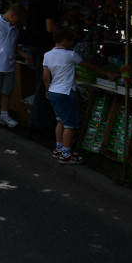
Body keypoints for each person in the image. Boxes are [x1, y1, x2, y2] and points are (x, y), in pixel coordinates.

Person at [23, 0, 73, 136]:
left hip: (32, 41)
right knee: (43, 85)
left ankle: (37, 122)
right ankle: (37, 124)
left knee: (40, 83)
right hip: (43, 44)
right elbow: (50, 27)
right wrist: (65, 19)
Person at [0, 4, 30, 129]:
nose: (18, 23)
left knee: (6, 91)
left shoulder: (14, 28)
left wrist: (23, 54)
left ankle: (4, 114)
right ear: (13, 15)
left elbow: (13, 45)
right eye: (18, 20)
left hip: (9, 65)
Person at [42, 26, 85, 165]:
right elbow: (87, 65)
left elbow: (46, 76)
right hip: (66, 92)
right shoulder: (71, 55)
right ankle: (66, 153)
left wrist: (47, 90)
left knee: (60, 120)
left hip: (54, 91)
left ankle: (59, 148)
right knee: (69, 125)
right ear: (66, 41)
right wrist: (106, 73)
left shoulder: (47, 55)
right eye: (71, 40)